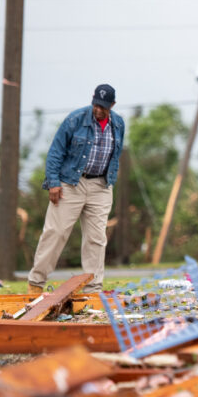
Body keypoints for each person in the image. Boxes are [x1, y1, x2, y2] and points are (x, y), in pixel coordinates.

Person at [26, 84, 125, 295]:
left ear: (113, 105)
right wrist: (53, 182)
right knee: (56, 232)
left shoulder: (118, 124)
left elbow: (115, 155)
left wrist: (110, 182)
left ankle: (92, 288)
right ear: (92, 100)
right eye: (96, 105)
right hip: (71, 183)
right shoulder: (75, 120)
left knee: (96, 238)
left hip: (101, 185)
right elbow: (56, 152)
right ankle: (36, 283)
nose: (99, 110)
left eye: (104, 107)